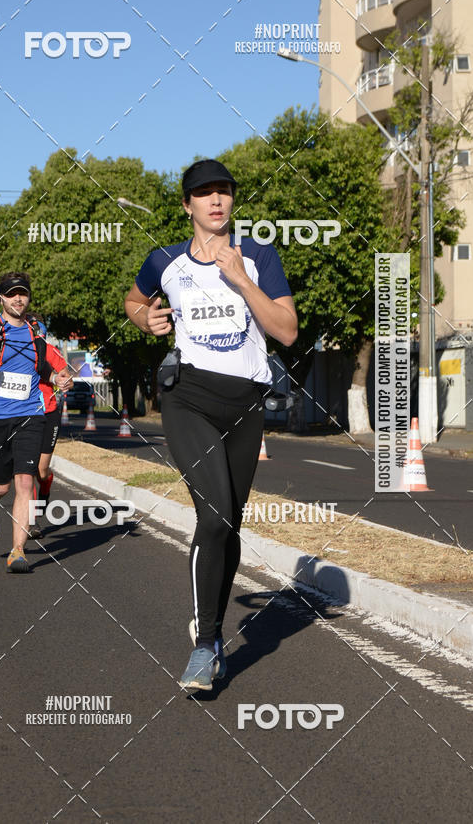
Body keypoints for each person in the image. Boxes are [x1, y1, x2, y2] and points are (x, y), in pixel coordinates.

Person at [125, 159, 297, 690]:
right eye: (204, 194)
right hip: (188, 398)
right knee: (215, 514)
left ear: (232, 201)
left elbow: (286, 332)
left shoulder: (261, 256)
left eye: (223, 191)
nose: (215, 200)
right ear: (188, 205)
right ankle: (204, 648)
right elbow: (133, 299)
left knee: (230, 524)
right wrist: (144, 317)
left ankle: (213, 628)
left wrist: (242, 279)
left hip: (245, 403)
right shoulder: (166, 260)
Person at [0, 272, 69, 573]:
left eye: (22, 293)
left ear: (29, 296)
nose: (17, 298)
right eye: (11, 294)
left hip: (31, 414)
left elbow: (41, 366)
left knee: (24, 481)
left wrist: (54, 377)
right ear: (1, 298)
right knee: (2, 487)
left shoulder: (37, 328)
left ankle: (17, 550)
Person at [28, 340, 72, 539]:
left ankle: (46, 483)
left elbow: (66, 376)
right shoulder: (12, 346)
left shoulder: (47, 349)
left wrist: (66, 382)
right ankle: (31, 522)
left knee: (41, 470)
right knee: (26, 471)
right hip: (24, 414)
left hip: (49, 412)